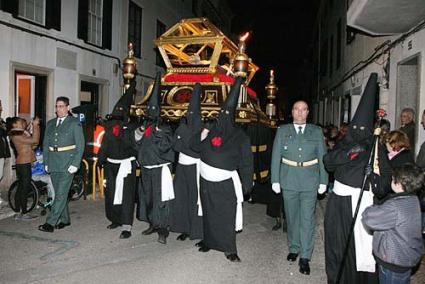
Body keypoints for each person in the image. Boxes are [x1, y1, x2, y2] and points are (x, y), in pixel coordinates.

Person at [323, 73, 392, 284]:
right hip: (339, 204)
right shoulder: (345, 143)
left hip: (364, 204)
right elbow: (328, 162)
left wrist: (373, 177)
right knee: (338, 244)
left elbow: (384, 185)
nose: (359, 131)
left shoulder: (376, 148)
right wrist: (350, 152)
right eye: (356, 128)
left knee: (360, 249)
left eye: (364, 129)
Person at [193, 76, 253, 262]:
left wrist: (246, 185)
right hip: (205, 181)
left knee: (226, 215)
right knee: (209, 212)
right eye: (222, 114)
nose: (223, 118)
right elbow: (194, 147)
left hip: (225, 183)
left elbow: (246, 163)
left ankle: (229, 248)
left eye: (227, 114)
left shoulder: (241, 137)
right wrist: (203, 132)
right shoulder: (211, 132)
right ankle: (209, 241)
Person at [271, 100, 328, 275]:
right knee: (292, 216)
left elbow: (322, 157)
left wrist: (323, 181)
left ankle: (305, 256)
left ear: (308, 112)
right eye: (296, 109)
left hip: (310, 181)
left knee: (307, 219)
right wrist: (275, 180)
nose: (300, 113)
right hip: (288, 180)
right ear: (292, 112)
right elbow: (276, 156)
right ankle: (294, 247)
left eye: (303, 110)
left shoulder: (316, 131)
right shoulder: (282, 131)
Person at [362, 164, 424, 284]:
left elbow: (369, 218)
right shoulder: (413, 199)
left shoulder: (395, 207)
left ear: (398, 184)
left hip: (393, 262)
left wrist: (371, 205)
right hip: (407, 257)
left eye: (392, 178)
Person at [135, 73, 175, 244]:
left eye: (153, 111)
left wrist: (158, 134)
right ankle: (152, 223)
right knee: (148, 198)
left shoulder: (164, 128)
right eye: (148, 111)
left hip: (160, 169)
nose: (150, 114)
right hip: (146, 168)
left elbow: (167, 147)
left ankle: (163, 229)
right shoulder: (145, 127)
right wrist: (139, 132)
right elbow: (136, 143)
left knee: (161, 200)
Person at [98, 80, 138, 239]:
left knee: (126, 196)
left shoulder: (131, 128)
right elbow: (104, 145)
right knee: (111, 193)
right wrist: (101, 160)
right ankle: (115, 218)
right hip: (111, 165)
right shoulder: (109, 128)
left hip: (126, 166)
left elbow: (135, 146)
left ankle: (127, 225)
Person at [39, 97, 85, 233]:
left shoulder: (74, 123)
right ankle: (65, 220)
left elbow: (80, 145)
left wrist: (75, 163)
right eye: (57, 106)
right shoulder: (51, 123)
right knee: (60, 193)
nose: (58, 109)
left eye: (61, 106)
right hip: (53, 162)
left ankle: (50, 223)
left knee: (60, 194)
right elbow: (46, 144)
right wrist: (46, 162)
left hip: (67, 162)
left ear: (68, 108)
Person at [169, 83, 203, 241]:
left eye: (193, 114)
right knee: (181, 198)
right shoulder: (182, 128)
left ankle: (195, 229)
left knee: (194, 199)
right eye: (189, 113)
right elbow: (175, 146)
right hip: (182, 166)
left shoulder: (202, 129)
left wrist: (185, 143)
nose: (190, 116)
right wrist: (185, 144)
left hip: (195, 167)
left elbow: (196, 148)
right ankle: (183, 227)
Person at [6, 116, 40, 220]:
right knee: (24, 188)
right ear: (15, 124)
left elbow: (33, 145)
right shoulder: (16, 134)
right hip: (23, 163)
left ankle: (18, 212)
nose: (23, 123)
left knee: (21, 187)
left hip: (23, 163)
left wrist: (33, 127)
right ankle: (23, 213)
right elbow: (35, 140)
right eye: (20, 122)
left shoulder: (19, 133)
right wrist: (35, 126)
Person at [0, 99, 11, 207]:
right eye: (0, 106)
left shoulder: (1, 120)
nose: (2, 108)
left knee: (1, 175)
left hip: (2, 153)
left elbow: (7, 130)